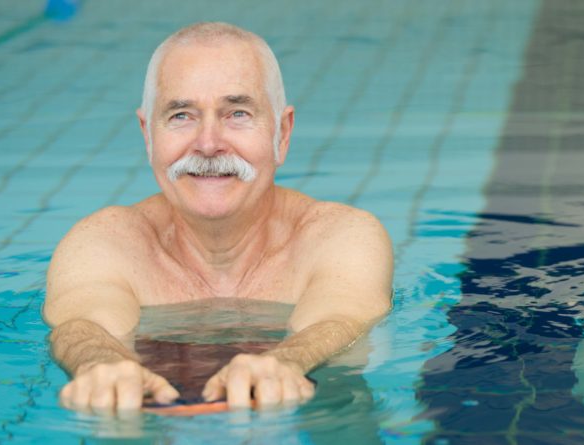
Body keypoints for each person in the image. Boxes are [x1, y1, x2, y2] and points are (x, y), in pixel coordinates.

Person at [42, 22, 393, 411]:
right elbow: (83, 325)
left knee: (341, 402)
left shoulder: (340, 236)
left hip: (313, 408)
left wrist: (286, 361)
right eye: (181, 116)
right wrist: (101, 363)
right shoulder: (104, 242)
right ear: (147, 136)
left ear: (282, 133)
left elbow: (339, 320)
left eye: (237, 113)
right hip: (151, 417)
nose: (208, 144)